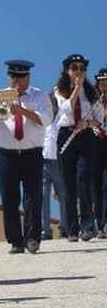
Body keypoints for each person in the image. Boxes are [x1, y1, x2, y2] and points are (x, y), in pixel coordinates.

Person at [0, 60, 53, 253]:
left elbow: (46, 120)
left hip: (31, 154)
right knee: (9, 198)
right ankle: (15, 240)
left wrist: (22, 110)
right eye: (14, 77)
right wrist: (4, 108)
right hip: (7, 155)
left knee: (33, 197)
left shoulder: (39, 96)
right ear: (9, 77)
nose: (17, 82)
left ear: (28, 78)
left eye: (21, 78)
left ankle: (32, 238)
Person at [53, 55, 105, 242]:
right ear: (67, 70)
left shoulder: (92, 93)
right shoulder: (59, 90)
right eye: (74, 68)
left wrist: (89, 123)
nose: (78, 71)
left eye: (81, 68)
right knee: (67, 184)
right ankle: (72, 229)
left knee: (83, 179)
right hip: (66, 135)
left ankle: (87, 226)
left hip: (85, 137)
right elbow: (66, 109)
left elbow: (99, 119)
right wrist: (76, 88)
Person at [41, 91, 63, 240]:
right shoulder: (42, 119)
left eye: (53, 104)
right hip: (42, 161)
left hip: (59, 162)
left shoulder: (62, 119)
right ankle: (45, 230)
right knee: (43, 196)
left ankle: (66, 227)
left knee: (64, 196)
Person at [93, 67, 107, 238]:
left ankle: (105, 222)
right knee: (96, 184)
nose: (104, 86)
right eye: (102, 83)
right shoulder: (94, 100)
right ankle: (99, 222)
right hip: (96, 143)